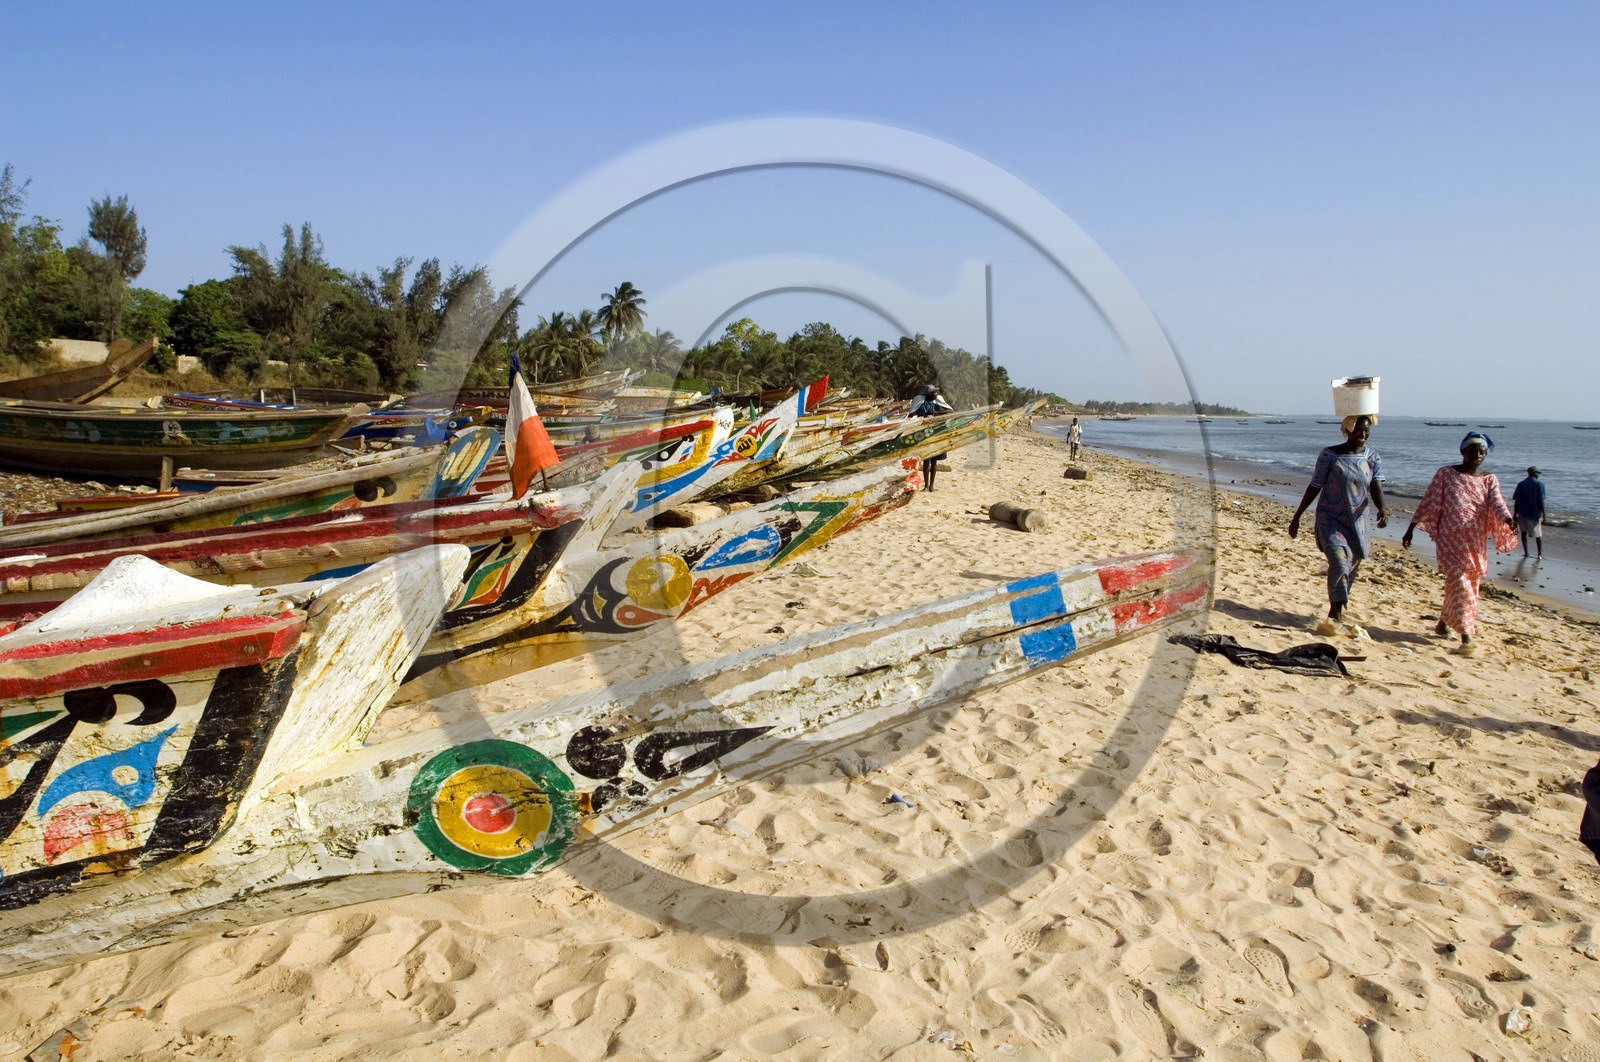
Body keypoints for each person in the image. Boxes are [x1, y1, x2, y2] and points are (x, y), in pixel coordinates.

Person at [1402, 432, 1518, 657]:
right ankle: (1466, 635)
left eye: (1482, 452)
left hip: (1474, 542)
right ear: (1462, 451)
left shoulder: (1488, 479)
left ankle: (1443, 624)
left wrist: (1508, 520)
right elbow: (1430, 500)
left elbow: (1497, 503)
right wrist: (1410, 529)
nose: (1477, 455)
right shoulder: (1446, 474)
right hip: (1449, 540)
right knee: (1460, 582)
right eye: (1473, 451)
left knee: (1466, 583)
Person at [1288, 415, 1388, 636]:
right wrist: (1297, 516)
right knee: (1340, 562)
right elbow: (1315, 485)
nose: (1363, 434)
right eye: (1359, 430)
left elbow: (1376, 486)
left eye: (1367, 431)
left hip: (1358, 522)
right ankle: (1335, 614)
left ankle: (1339, 605)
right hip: (1330, 518)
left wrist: (1383, 509)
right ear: (1347, 430)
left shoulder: (1372, 457)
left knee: (1351, 567)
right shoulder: (1329, 455)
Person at [908, 385, 952, 491]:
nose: (936, 395)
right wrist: (922, 415)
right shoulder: (919, 401)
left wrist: (936, 413)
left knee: (934, 460)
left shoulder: (937, 401)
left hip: (936, 431)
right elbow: (911, 414)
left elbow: (950, 411)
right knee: (926, 459)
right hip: (923, 432)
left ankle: (932, 486)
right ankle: (926, 485)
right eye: (934, 393)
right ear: (929, 394)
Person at [1512, 466, 1545, 560]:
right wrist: (1544, 515)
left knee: (1523, 533)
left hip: (1522, 512)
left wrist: (1515, 514)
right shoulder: (1540, 485)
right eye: (1537, 473)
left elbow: (1516, 501)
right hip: (1534, 513)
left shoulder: (1521, 484)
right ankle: (1539, 554)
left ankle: (1526, 552)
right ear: (1534, 473)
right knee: (1538, 535)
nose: (1538, 475)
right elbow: (1541, 501)